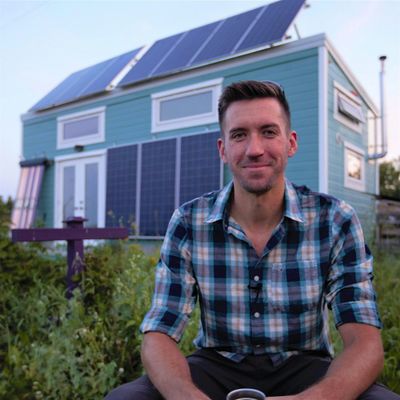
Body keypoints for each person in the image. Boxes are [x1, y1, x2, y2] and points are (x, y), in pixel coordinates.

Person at [105, 80, 399, 400]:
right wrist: (187, 396)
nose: (254, 149)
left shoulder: (335, 219)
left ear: (290, 143)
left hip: (305, 367)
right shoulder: (189, 221)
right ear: (223, 149)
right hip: (216, 365)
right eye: (239, 135)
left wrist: (315, 399)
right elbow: (159, 333)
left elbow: (364, 340)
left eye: (268, 132)